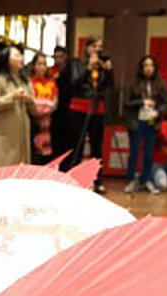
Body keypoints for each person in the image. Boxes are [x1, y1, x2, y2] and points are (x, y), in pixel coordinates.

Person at [64, 36, 114, 193]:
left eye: (100, 46)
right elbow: (74, 85)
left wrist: (109, 70)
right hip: (79, 108)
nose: (97, 49)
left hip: (97, 109)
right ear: (86, 47)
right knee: (77, 147)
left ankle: (97, 180)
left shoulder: (101, 65)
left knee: (96, 148)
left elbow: (109, 86)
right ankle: (72, 179)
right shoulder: (76, 63)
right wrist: (87, 69)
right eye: (94, 46)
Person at [123, 55, 167, 194]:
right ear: (141, 68)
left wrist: (158, 112)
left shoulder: (161, 84)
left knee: (149, 153)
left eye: (151, 65)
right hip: (136, 122)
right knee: (134, 152)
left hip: (152, 122)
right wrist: (141, 103)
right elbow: (126, 103)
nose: (148, 68)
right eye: (145, 65)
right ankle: (130, 180)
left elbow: (165, 103)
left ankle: (146, 179)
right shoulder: (133, 84)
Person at [0, 46, 37, 169]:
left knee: (20, 173)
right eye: (17, 55)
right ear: (6, 59)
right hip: (4, 136)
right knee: (1, 171)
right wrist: (11, 97)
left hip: (22, 137)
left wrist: (29, 100)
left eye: (21, 55)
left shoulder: (25, 81)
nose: (21, 58)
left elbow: (34, 109)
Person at [29, 52, 59, 164]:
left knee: (46, 155)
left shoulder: (51, 82)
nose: (42, 67)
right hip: (33, 123)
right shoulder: (29, 82)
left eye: (44, 64)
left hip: (49, 123)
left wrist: (44, 106)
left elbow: (54, 103)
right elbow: (31, 103)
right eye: (39, 63)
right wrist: (44, 105)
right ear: (34, 66)